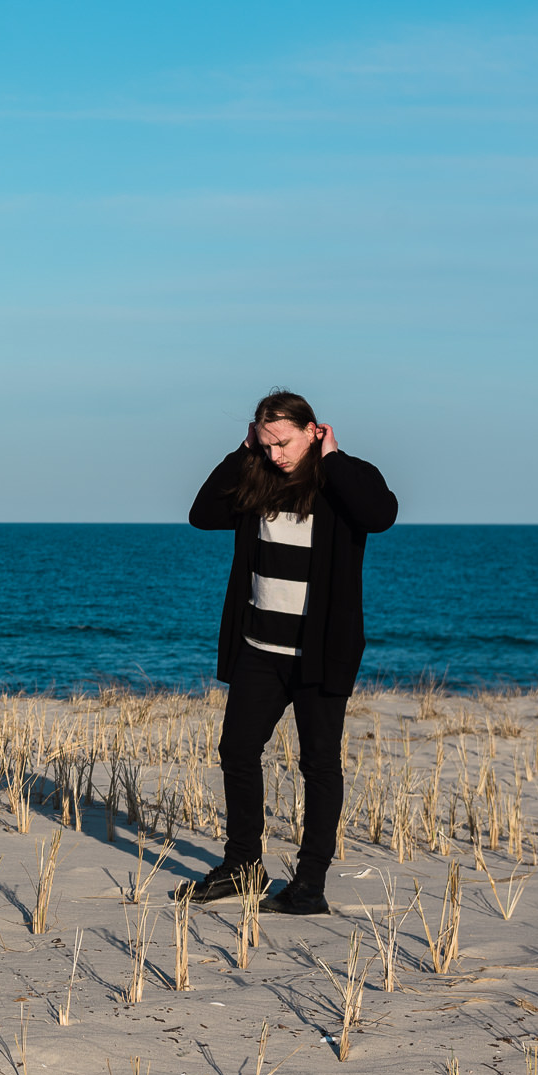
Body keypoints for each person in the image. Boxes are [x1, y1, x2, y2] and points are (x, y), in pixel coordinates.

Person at [179, 389, 397, 915]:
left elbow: (381, 513)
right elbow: (201, 514)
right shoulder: (256, 477)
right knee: (237, 751)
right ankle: (244, 866)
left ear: (313, 431)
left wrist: (334, 459)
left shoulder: (342, 481)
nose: (276, 453)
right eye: (267, 441)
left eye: (285, 442)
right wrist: (242, 451)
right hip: (260, 649)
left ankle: (310, 883)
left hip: (320, 653)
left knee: (319, 763)